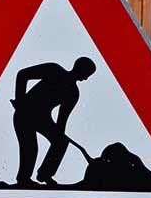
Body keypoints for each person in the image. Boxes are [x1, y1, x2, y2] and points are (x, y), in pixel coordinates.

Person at [10, 57, 96, 187]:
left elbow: (62, 120)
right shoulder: (54, 70)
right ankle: (23, 179)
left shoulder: (73, 93)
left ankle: (45, 174)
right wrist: (20, 101)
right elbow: (22, 75)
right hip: (24, 114)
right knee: (31, 147)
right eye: (87, 74)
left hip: (43, 118)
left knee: (61, 142)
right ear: (81, 70)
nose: (86, 79)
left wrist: (60, 133)